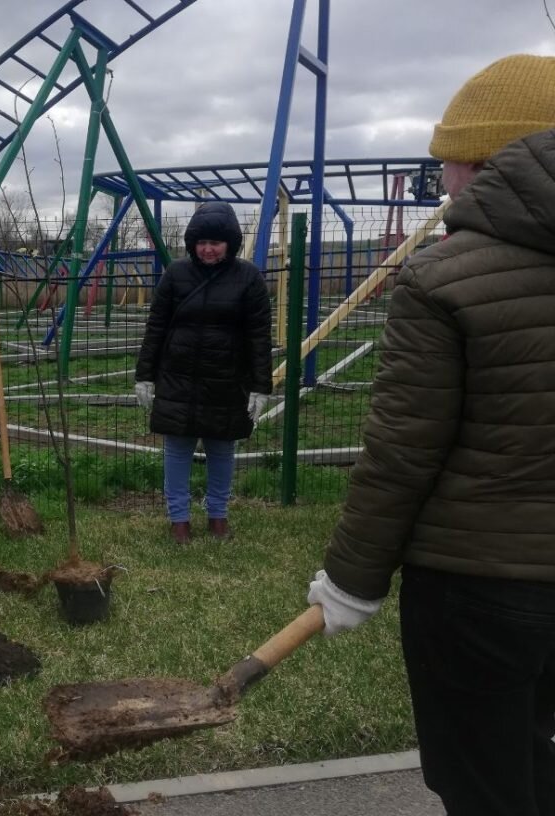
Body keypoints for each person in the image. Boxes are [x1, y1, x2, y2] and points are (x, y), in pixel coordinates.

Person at [305, 54, 555, 816]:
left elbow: (401, 456)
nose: (440, 180)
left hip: (481, 591)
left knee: (485, 783)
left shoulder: (441, 281)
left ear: (487, 162)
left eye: (447, 160)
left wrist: (351, 580)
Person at [134, 201, 272, 543]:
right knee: (177, 449)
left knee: (222, 450)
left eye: (217, 242)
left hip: (226, 380)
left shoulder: (249, 278)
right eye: (202, 242)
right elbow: (157, 327)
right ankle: (178, 519)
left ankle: (218, 516)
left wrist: (260, 386)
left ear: (230, 243)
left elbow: (259, 337)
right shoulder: (176, 274)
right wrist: (144, 375)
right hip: (178, 377)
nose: (208, 249)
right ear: (192, 243)